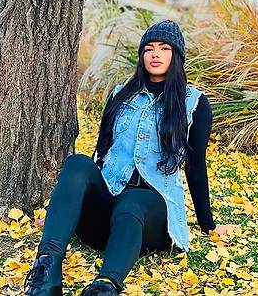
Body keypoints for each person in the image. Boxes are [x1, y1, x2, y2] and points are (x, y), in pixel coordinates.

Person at [23, 19, 238, 295]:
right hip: (105, 216)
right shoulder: (121, 94)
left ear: (176, 55)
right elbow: (101, 151)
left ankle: (105, 286)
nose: (155, 54)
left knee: (133, 200)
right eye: (149, 48)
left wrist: (208, 225)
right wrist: (64, 213)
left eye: (164, 48)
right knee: (77, 163)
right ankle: (46, 273)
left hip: (150, 220)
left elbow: (195, 166)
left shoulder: (193, 103)